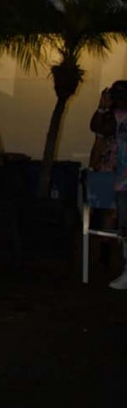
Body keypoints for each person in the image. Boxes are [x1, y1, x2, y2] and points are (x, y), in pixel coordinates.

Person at [89, 80, 127, 290]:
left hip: (122, 175)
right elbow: (98, 134)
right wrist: (102, 107)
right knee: (106, 214)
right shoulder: (110, 117)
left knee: (118, 217)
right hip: (107, 171)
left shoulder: (119, 118)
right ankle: (105, 257)